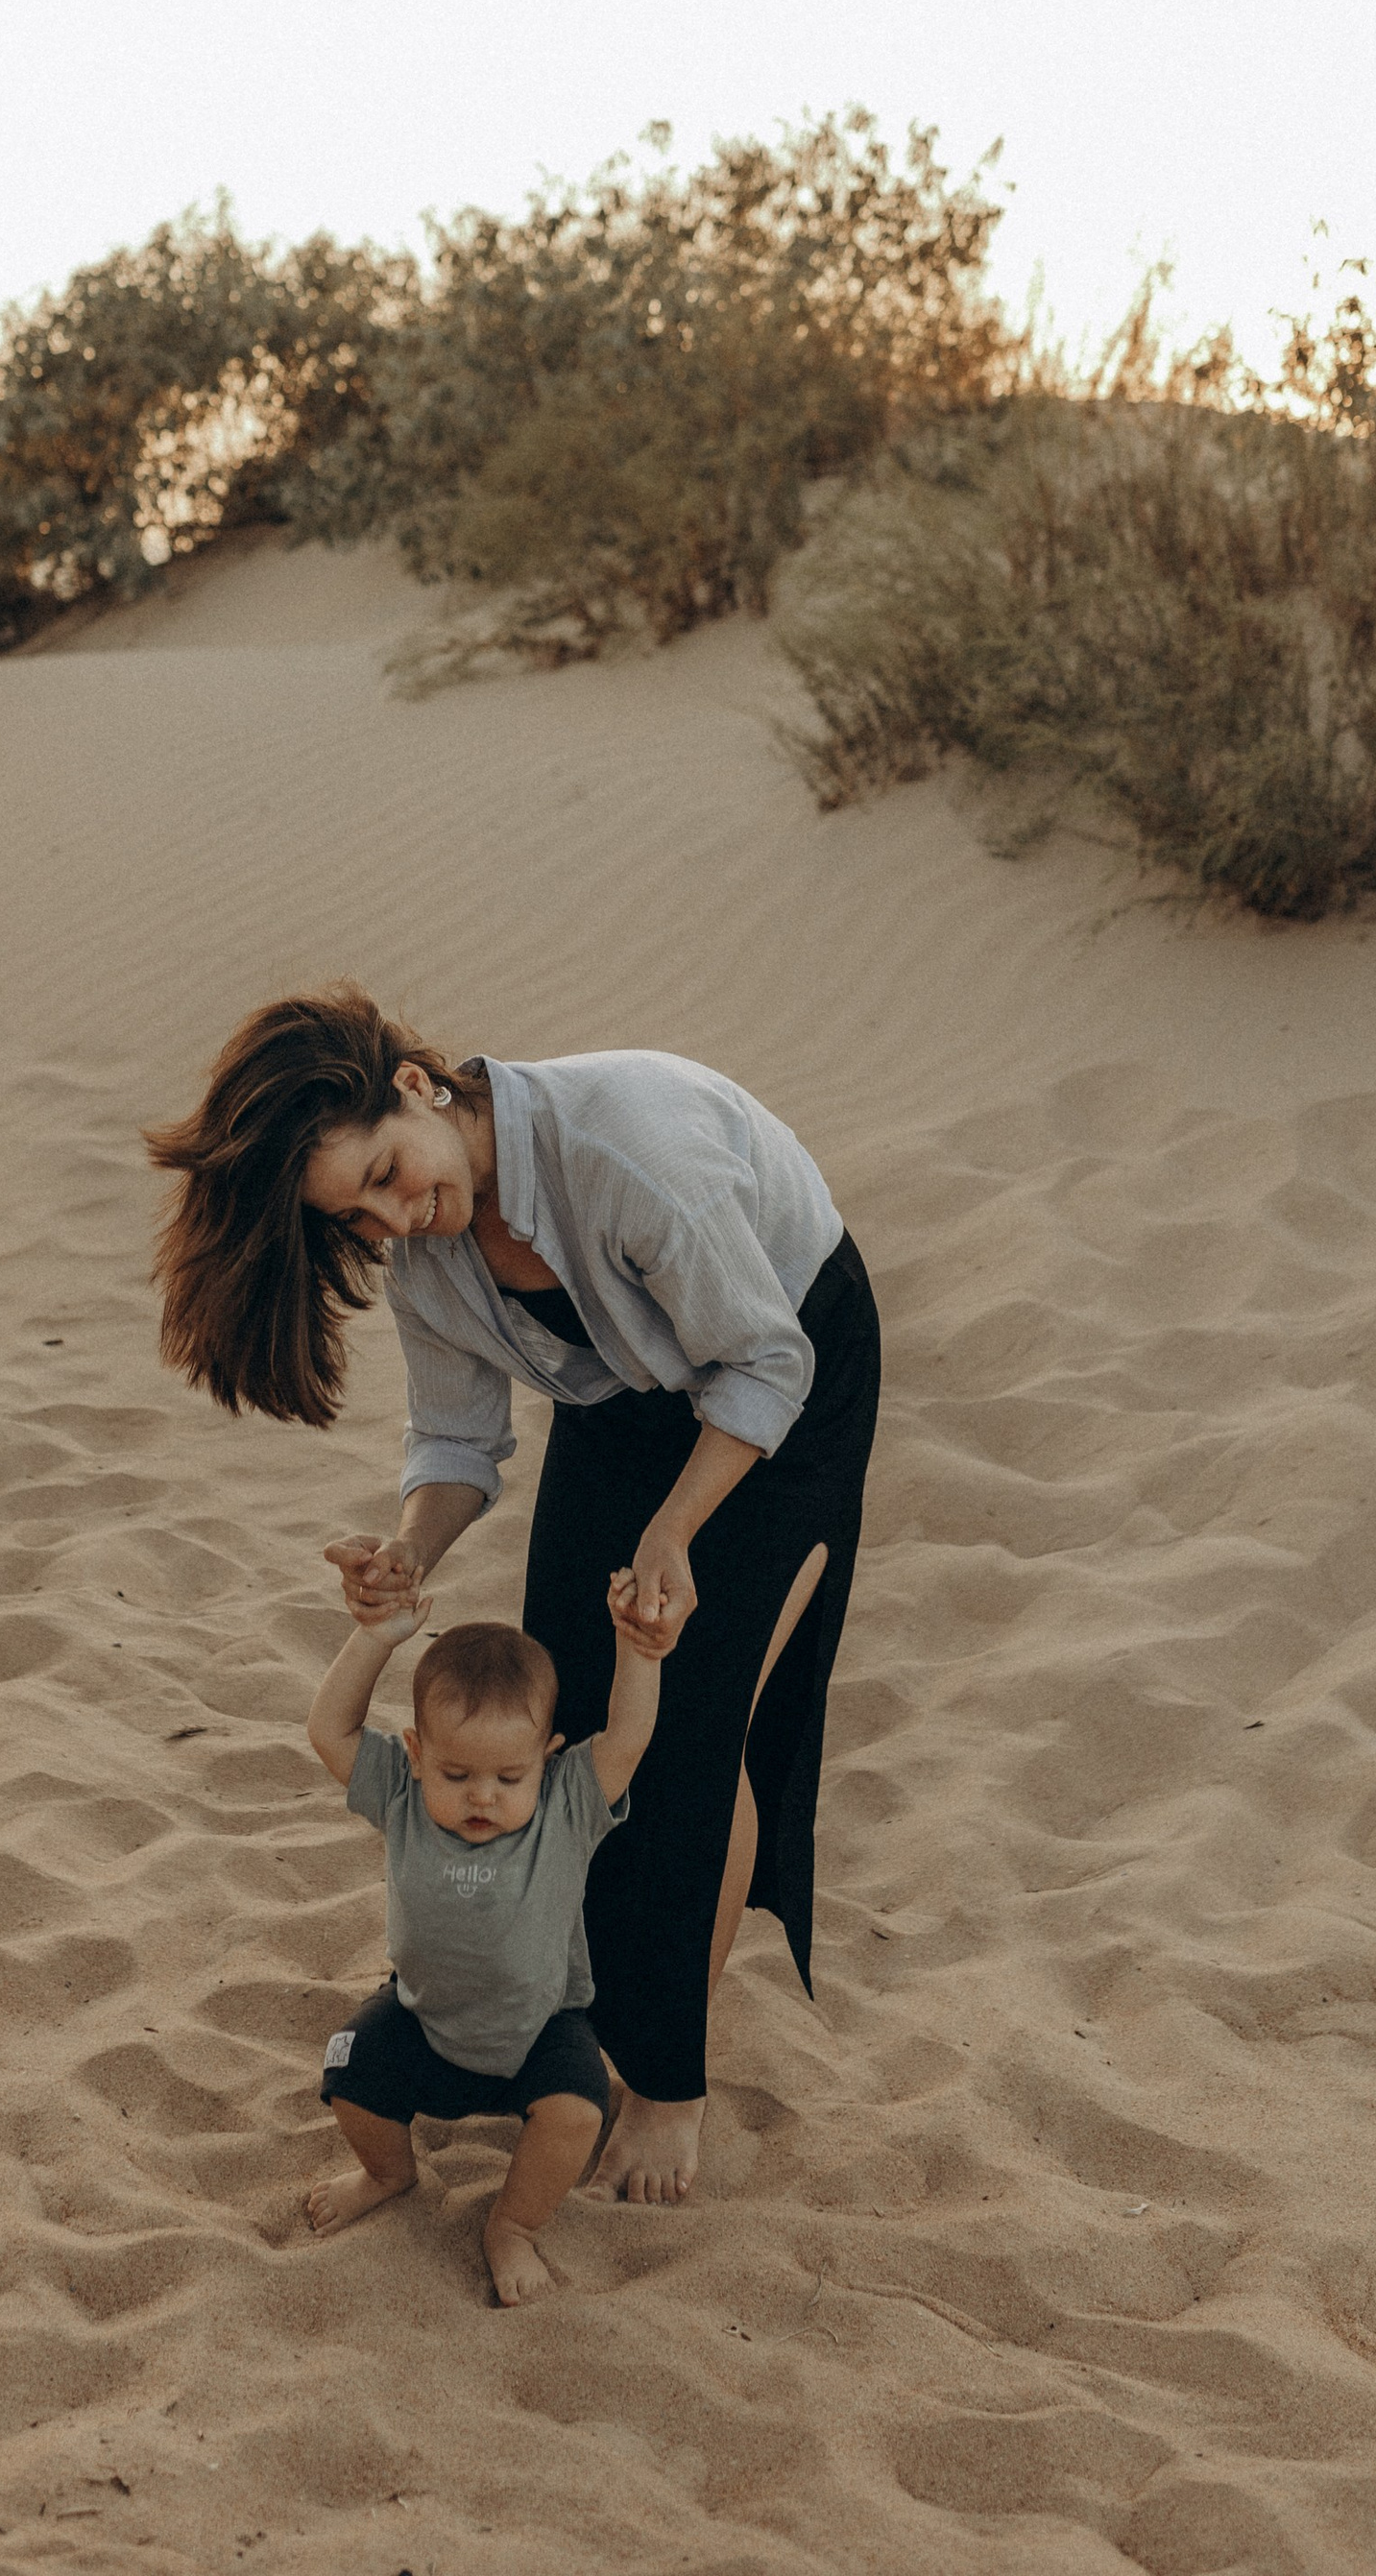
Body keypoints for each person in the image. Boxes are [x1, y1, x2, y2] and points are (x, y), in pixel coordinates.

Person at [150, 982, 881, 2207]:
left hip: (782, 1372)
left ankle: (667, 2082)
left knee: (695, 1726)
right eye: (361, 1212)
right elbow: (455, 1442)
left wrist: (670, 1535)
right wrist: (407, 1560)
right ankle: (596, 2012)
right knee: (566, 1720)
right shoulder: (427, 1255)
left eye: (390, 1171)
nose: (397, 1216)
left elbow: (763, 1363)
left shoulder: (625, 1148)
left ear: (422, 1086)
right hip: (623, 1393)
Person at [305, 1589, 661, 2302]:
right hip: (422, 2017)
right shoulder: (401, 1796)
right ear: (416, 1754)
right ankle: (389, 2173)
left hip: (539, 2029)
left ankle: (513, 2225)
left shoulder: (566, 1804)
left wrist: (640, 1651)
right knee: (348, 2070)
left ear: (548, 1759)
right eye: (457, 1775)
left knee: (578, 2111)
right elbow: (329, 1730)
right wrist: (376, 1637)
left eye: (509, 1777)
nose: (482, 1798)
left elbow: (627, 1737)